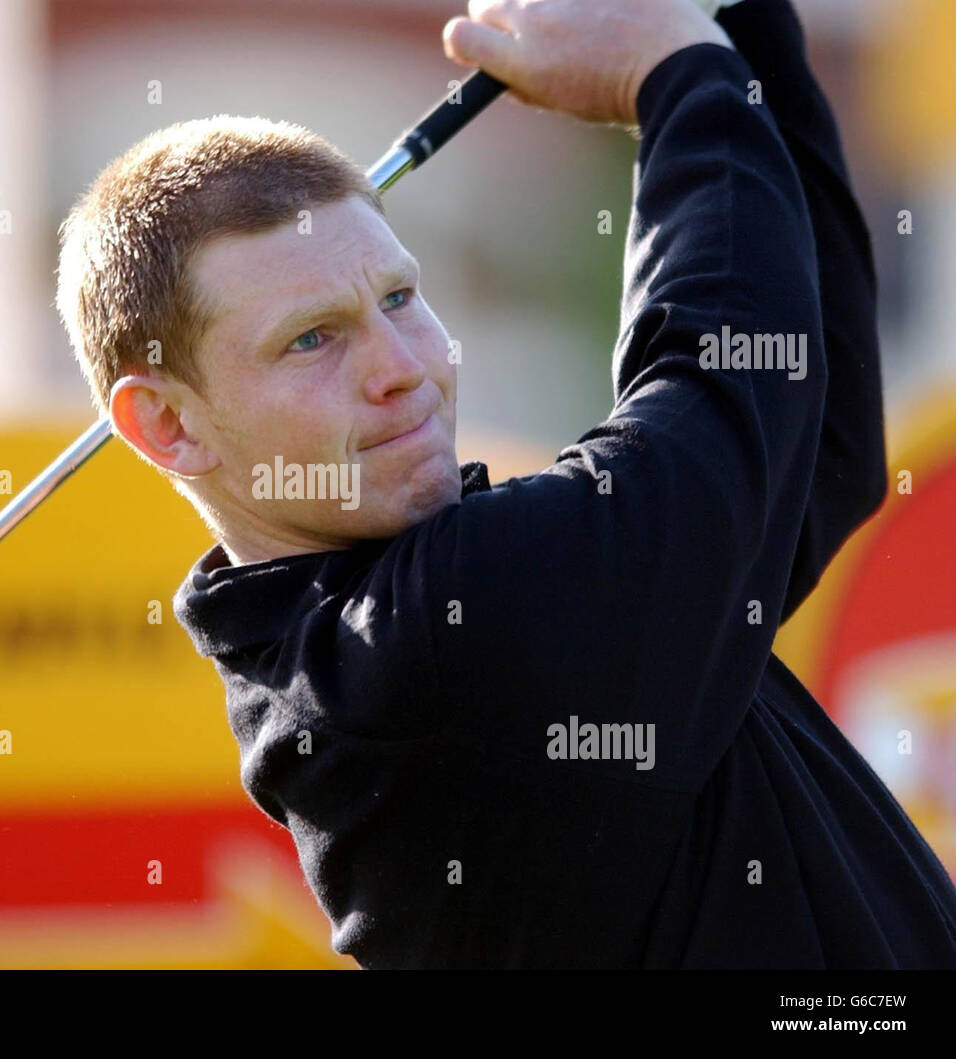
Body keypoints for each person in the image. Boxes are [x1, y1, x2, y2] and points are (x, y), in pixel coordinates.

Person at [55, 0, 956, 967]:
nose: (402, 363)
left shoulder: (466, 595)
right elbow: (717, 404)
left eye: (398, 297)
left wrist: (735, 36)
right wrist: (679, 67)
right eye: (311, 338)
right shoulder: (414, 650)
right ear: (169, 424)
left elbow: (809, 448)